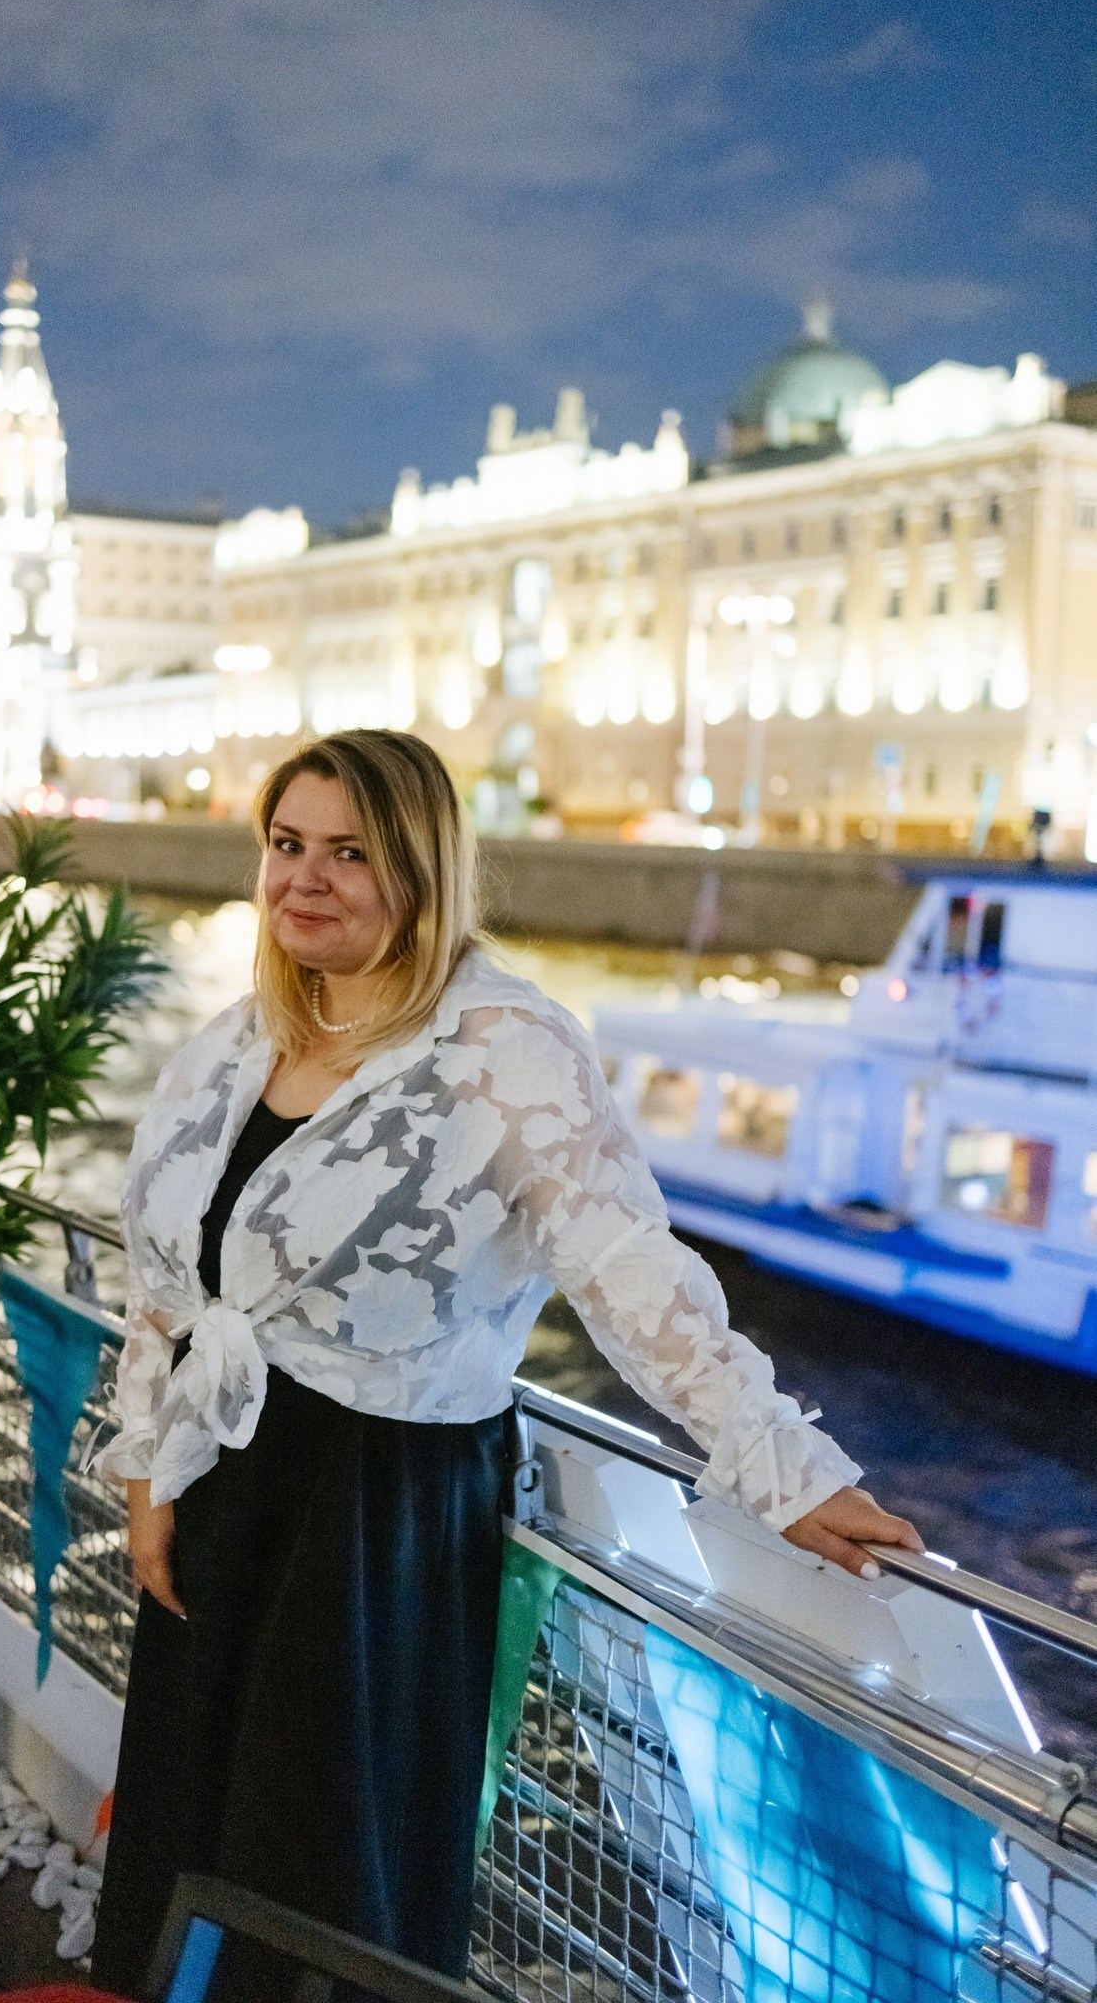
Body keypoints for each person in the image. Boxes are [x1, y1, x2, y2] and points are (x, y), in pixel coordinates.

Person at [89, 729, 922, 1998]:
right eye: (286, 843)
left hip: (369, 1515)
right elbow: (169, 1283)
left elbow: (625, 1264)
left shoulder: (504, 1045)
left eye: (349, 851)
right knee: (191, 1805)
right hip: (223, 1482)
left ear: (421, 867)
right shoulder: (238, 1040)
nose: (304, 877)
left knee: (320, 1848)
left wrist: (781, 1464)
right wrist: (149, 1475)